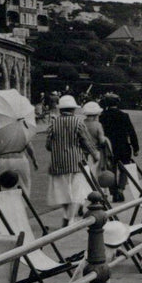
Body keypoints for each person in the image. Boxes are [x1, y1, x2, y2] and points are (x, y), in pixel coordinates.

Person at [45, 94, 98, 227]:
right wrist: (94, 154)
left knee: (63, 192)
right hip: (76, 161)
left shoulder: (53, 123)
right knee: (77, 191)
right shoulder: (78, 122)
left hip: (58, 162)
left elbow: (48, 145)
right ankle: (71, 218)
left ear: (60, 109)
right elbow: (86, 141)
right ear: (73, 109)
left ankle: (66, 215)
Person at [99, 93, 140, 202]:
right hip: (123, 146)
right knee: (124, 169)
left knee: (111, 170)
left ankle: (113, 191)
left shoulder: (102, 116)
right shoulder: (124, 115)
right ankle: (121, 189)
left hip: (109, 147)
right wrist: (136, 148)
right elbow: (131, 132)